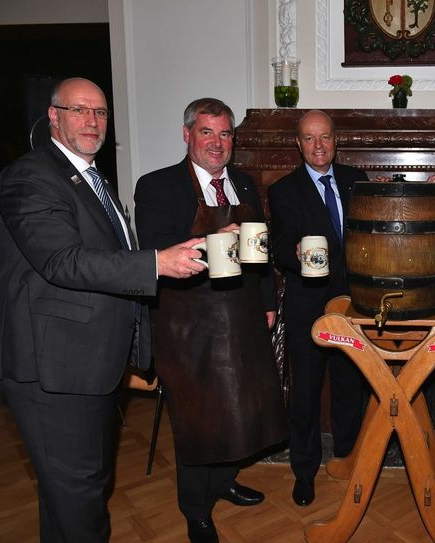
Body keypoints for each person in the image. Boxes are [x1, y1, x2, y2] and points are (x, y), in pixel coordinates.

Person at [0, 77, 205, 542]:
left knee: (69, 490)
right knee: (81, 494)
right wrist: (157, 262)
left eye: (100, 112)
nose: (92, 121)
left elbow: (106, 256)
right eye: (79, 110)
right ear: (53, 117)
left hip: (87, 362)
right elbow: (61, 260)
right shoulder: (30, 176)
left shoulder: (90, 177)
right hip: (53, 366)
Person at [135, 98, 287, 543]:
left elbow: (259, 251)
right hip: (187, 320)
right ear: (187, 135)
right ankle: (195, 509)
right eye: (207, 132)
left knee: (241, 405)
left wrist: (267, 299)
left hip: (240, 315)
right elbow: (156, 249)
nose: (217, 143)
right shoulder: (158, 186)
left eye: (225, 134)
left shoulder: (242, 182)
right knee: (198, 417)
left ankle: (224, 483)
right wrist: (208, 239)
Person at [267, 109, 367, 507]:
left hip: (353, 306)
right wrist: (293, 256)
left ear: (335, 139)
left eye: (324, 136)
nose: (318, 145)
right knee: (305, 394)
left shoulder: (355, 180)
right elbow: (280, 247)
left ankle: (346, 458)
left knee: (349, 387)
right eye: (309, 138)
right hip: (307, 306)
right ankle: (304, 471)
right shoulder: (283, 190)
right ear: (298, 143)